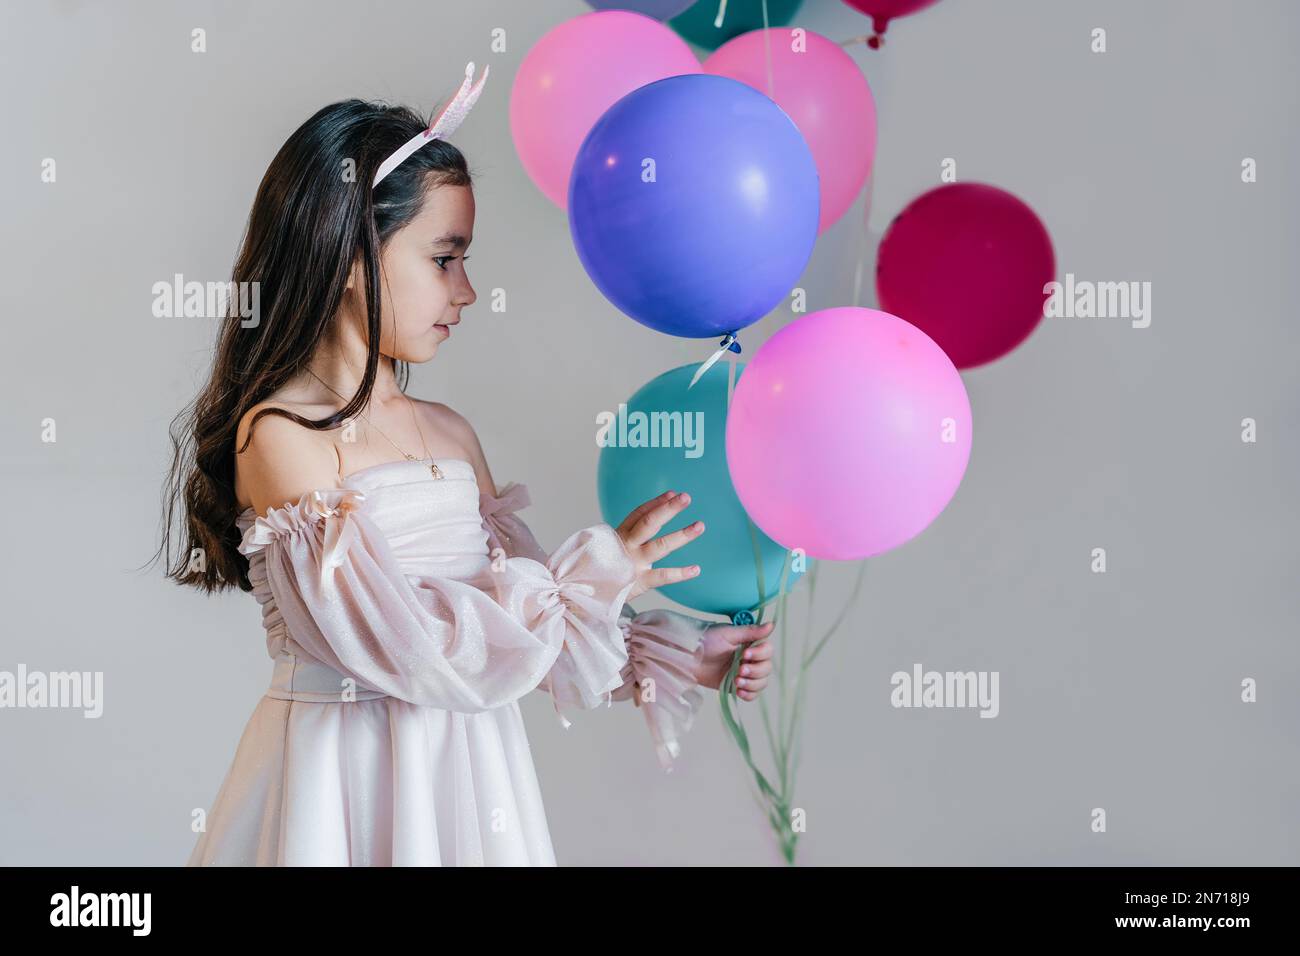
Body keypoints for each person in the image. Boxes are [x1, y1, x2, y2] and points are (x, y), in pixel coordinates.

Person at [157, 63, 775, 866]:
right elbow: (417, 651)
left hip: (469, 780)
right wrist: (595, 570)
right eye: (444, 259)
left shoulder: (451, 436)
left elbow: (521, 641)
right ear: (350, 256)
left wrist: (678, 658)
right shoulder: (280, 438)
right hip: (346, 783)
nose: (468, 290)